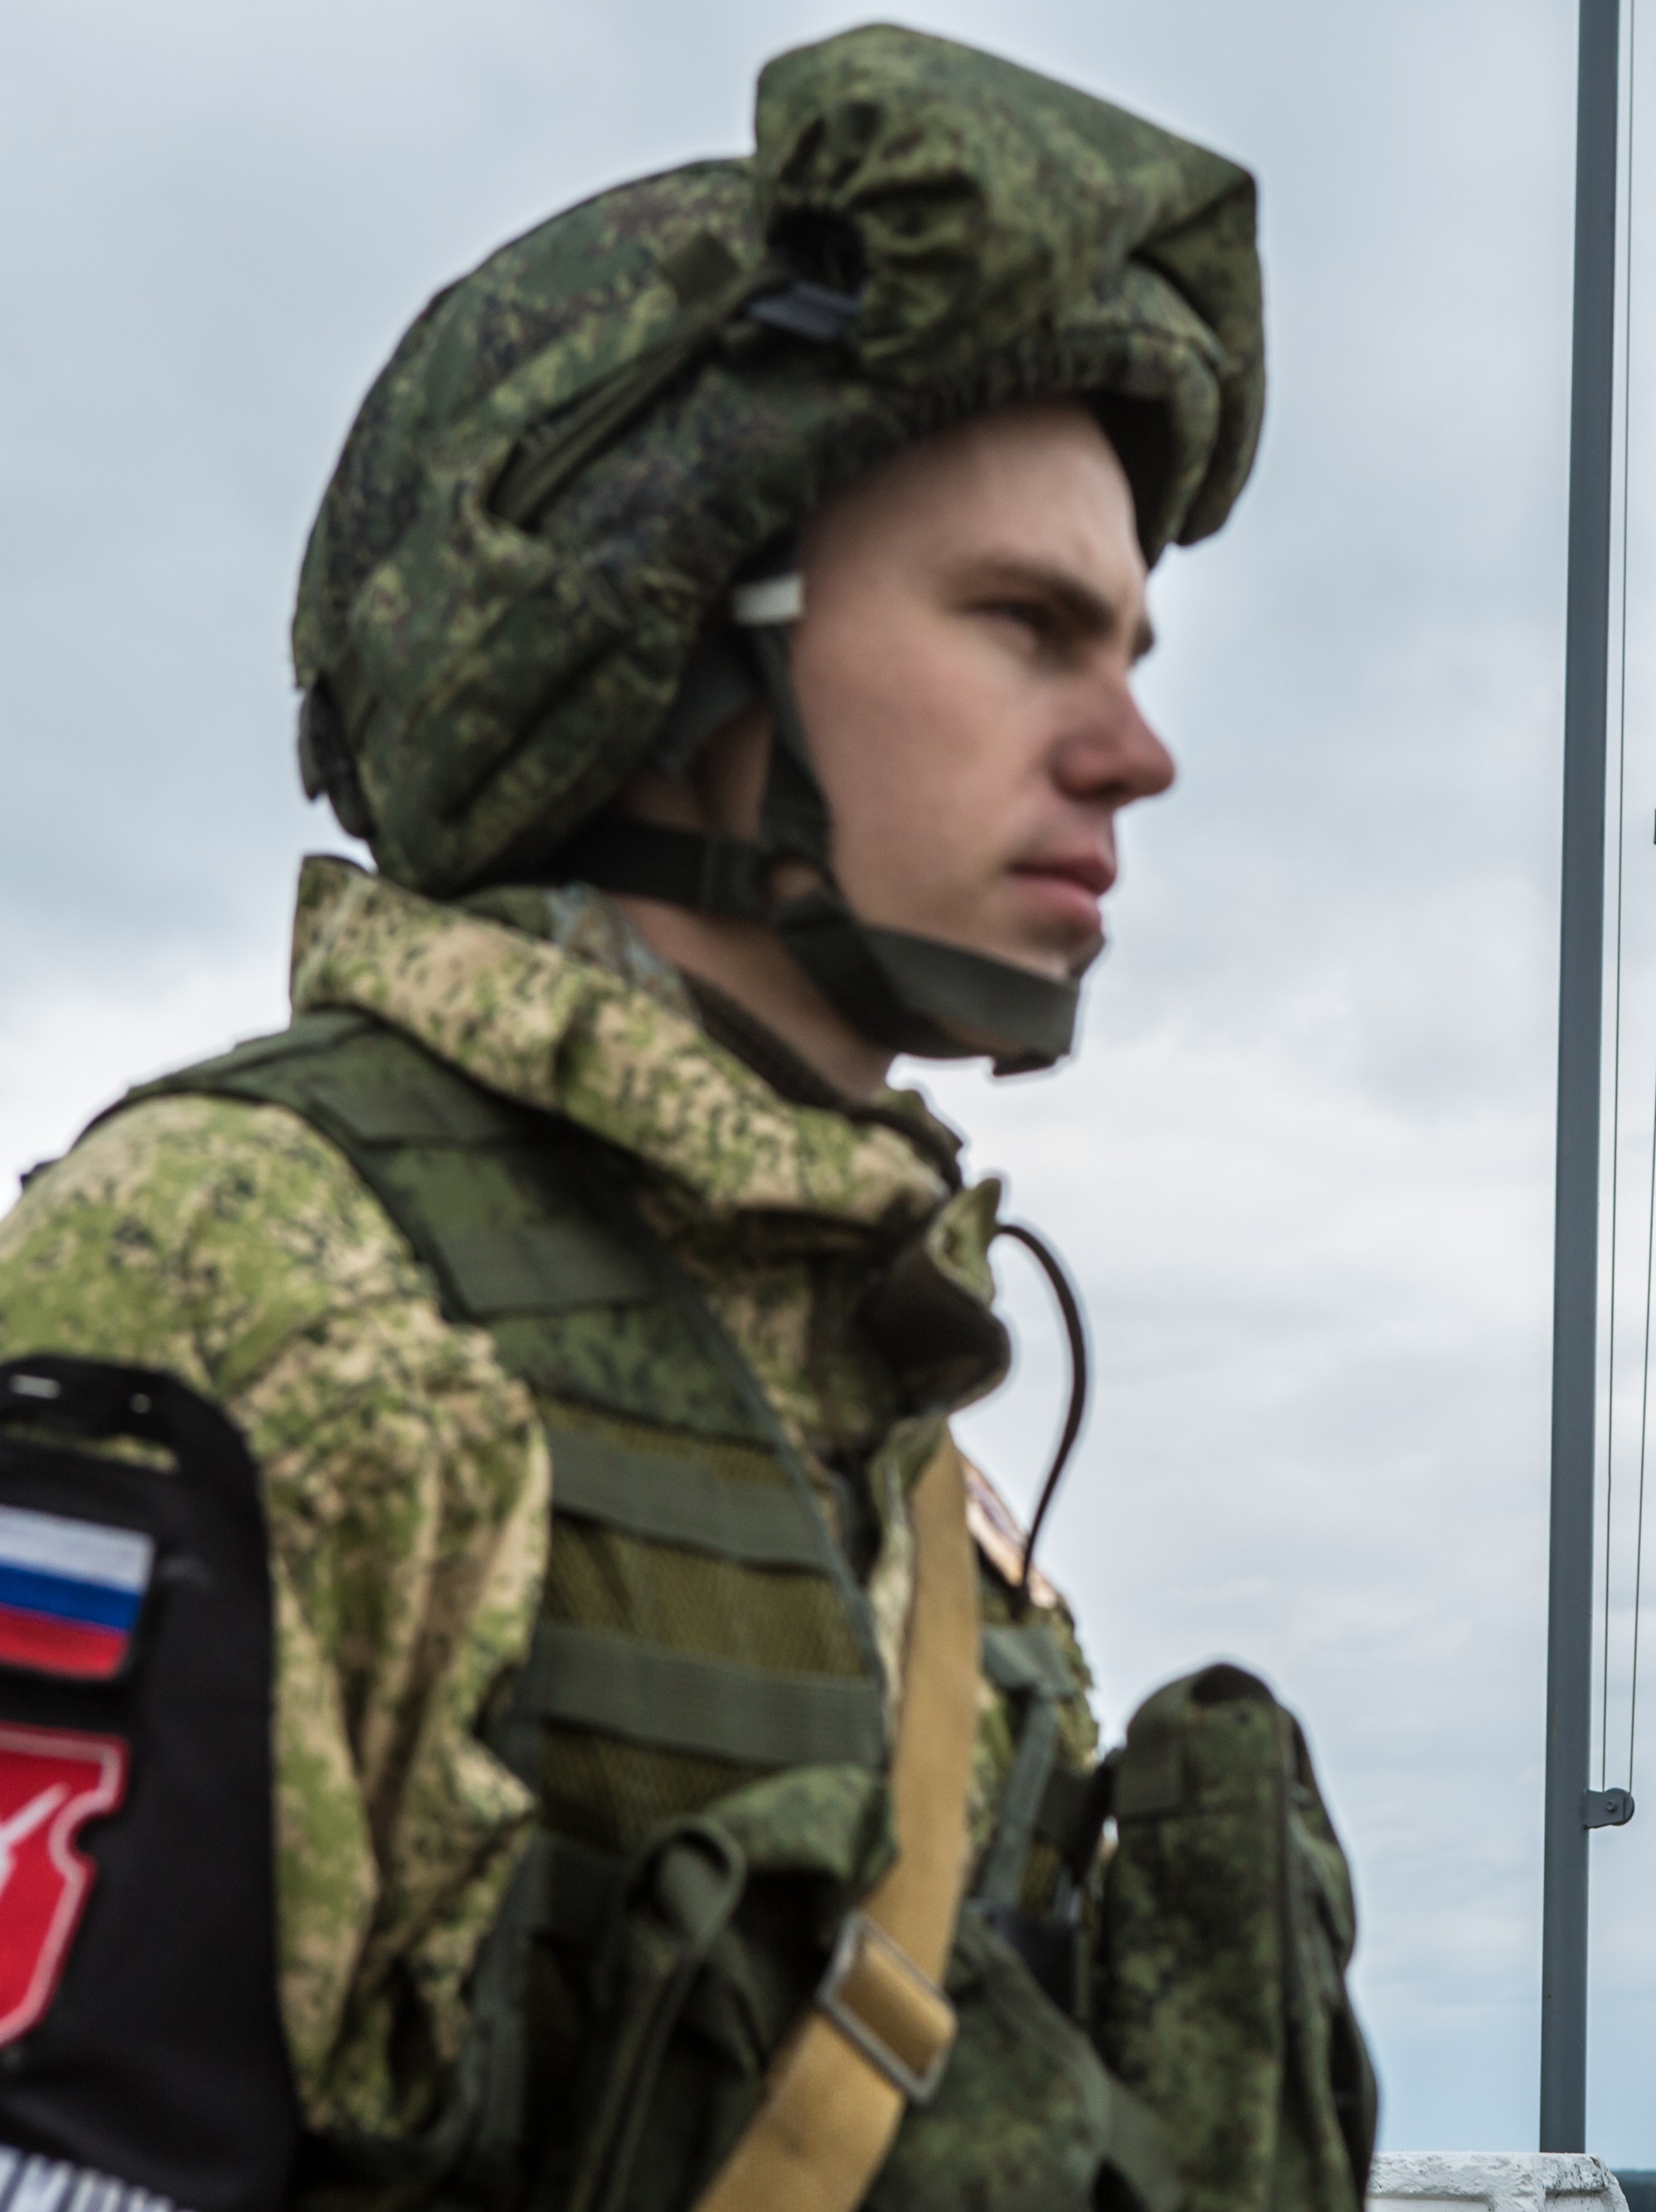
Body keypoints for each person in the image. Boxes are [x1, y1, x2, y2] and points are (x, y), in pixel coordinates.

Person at [0, 26, 1370, 2212]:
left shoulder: (931, 1488)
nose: (1134, 750)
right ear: (664, 641)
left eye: (1133, 648)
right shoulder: (239, 1293)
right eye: (1027, 626)